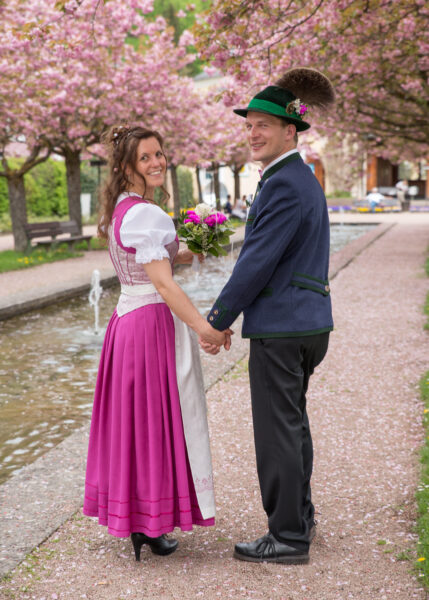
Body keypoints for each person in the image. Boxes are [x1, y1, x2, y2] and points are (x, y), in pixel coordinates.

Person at [202, 68, 335, 564]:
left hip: (283, 326)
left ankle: (287, 538)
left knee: (278, 432)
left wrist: (218, 318)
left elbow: (255, 262)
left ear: (290, 131)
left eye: (264, 124)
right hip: (306, 321)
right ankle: (300, 519)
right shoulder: (297, 177)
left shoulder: (282, 183)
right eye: (249, 125)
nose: (253, 133)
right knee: (293, 426)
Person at [83, 125, 230, 562]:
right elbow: (163, 285)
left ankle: (140, 520)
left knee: (138, 422)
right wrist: (204, 327)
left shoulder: (125, 209)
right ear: (126, 166)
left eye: (159, 154)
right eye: (145, 157)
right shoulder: (146, 215)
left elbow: (149, 261)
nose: (156, 162)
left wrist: (188, 248)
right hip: (148, 324)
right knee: (153, 421)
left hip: (127, 321)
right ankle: (148, 521)